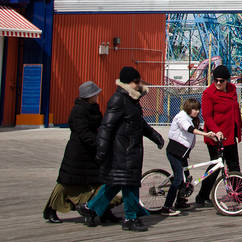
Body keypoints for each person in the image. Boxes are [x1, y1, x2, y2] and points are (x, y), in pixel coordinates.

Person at [79, 66, 164, 232]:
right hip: (123, 151)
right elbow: (107, 126)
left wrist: (155, 136)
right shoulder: (119, 99)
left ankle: (90, 208)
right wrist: (101, 150)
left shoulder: (132, 100)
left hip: (130, 149)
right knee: (130, 184)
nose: (139, 84)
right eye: (136, 81)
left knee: (115, 183)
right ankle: (130, 218)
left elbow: (139, 123)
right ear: (128, 83)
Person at [43, 81, 119, 225]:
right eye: (95, 94)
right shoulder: (78, 111)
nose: (97, 96)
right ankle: (51, 209)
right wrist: (99, 143)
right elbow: (82, 132)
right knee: (66, 183)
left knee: (98, 182)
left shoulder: (94, 108)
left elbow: (100, 126)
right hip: (77, 153)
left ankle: (103, 211)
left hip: (92, 153)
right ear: (89, 96)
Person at [195, 65, 242, 207]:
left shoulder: (232, 89)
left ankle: (239, 193)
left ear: (226, 81)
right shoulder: (208, 94)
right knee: (215, 166)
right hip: (216, 137)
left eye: (221, 81)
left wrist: (240, 126)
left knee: (234, 166)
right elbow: (207, 117)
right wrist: (216, 131)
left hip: (230, 134)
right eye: (215, 80)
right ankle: (202, 196)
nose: (218, 83)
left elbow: (235, 109)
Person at [160, 99, 217, 216]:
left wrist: (212, 134)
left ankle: (180, 202)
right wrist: (206, 134)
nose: (196, 112)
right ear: (188, 109)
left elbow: (198, 129)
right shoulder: (181, 117)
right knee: (178, 179)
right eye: (194, 109)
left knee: (187, 179)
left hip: (183, 153)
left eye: (197, 109)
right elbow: (189, 129)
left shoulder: (193, 119)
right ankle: (166, 207)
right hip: (174, 152)